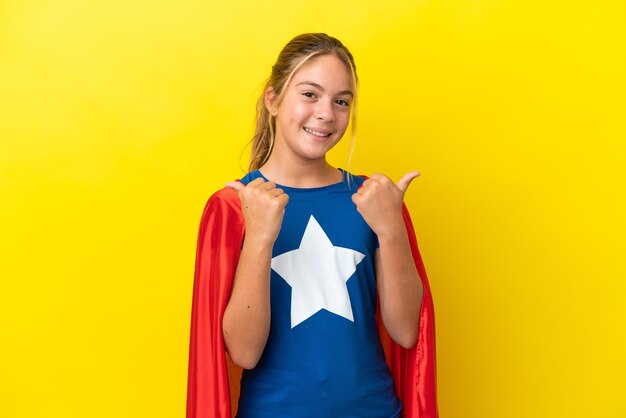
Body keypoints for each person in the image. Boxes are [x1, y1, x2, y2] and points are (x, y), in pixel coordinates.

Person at [187, 33, 438, 418]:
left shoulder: (374, 201)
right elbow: (243, 353)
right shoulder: (235, 207)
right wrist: (259, 239)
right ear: (273, 99)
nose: (326, 113)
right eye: (310, 94)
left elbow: (405, 332)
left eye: (341, 101)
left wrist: (391, 229)